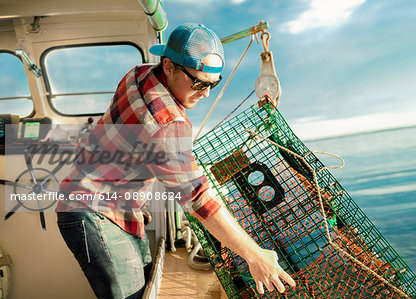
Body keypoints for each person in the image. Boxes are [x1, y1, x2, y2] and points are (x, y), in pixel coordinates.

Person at [56, 23, 296, 298]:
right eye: (199, 83)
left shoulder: (138, 73)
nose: (206, 93)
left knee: (148, 285)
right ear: (169, 65)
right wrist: (254, 255)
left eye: (213, 84)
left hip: (113, 206)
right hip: (94, 212)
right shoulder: (167, 124)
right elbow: (198, 199)